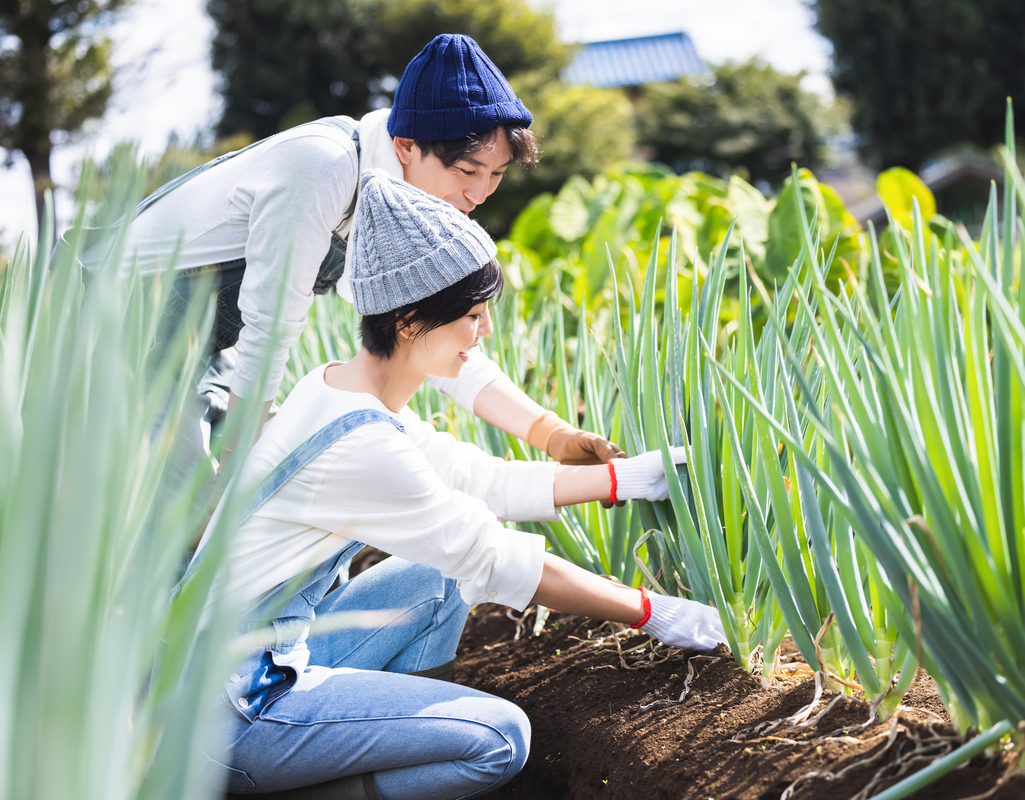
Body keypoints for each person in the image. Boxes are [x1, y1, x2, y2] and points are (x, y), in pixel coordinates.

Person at [191, 171, 725, 800]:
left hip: (240, 659)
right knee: (498, 737)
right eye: (473, 316)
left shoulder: (337, 388)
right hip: (233, 712)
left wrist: (623, 479)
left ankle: (390, 738)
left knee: (437, 579)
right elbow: (492, 557)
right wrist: (653, 612)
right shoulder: (360, 443)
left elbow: (475, 479)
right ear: (411, 319)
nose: (484, 334)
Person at [121, 33, 620, 498]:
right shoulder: (324, 167)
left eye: (495, 175)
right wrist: (236, 472)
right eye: (466, 170)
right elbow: (271, 324)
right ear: (405, 146)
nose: (478, 193)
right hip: (117, 327)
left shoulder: (399, 203)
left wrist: (552, 434)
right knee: (195, 524)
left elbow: (430, 336)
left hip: (202, 344)